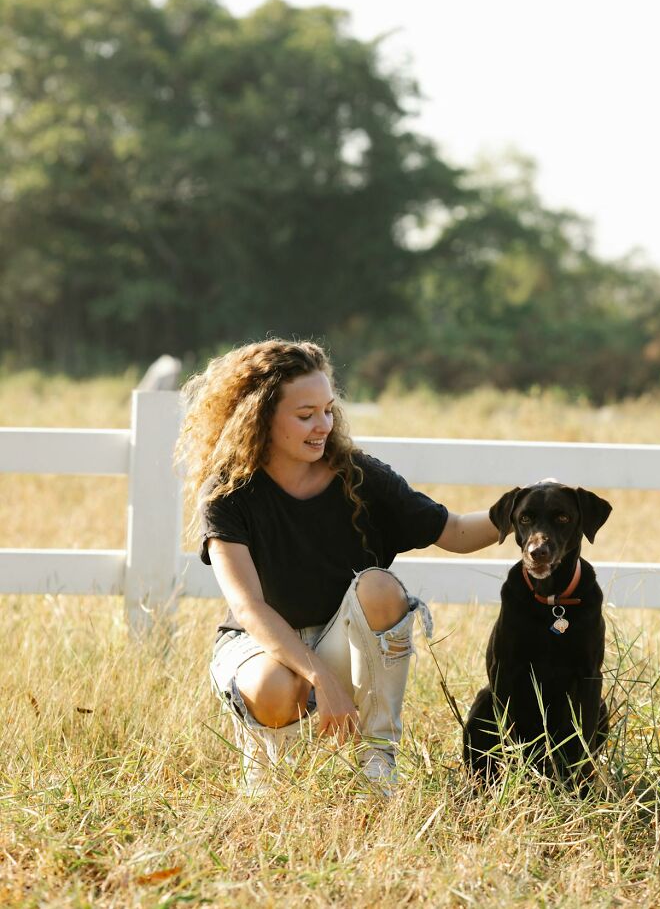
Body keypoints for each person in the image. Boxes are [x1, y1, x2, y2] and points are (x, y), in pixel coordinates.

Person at [176, 338, 501, 795]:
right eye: (305, 414)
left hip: (344, 641)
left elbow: (457, 532)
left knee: (380, 587)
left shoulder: (359, 475)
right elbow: (249, 608)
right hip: (262, 645)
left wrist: (528, 506)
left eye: (328, 410)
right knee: (274, 686)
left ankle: (377, 760)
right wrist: (318, 678)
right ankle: (270, 775)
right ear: (260, 417)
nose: (323, 425)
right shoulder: (228, 492)